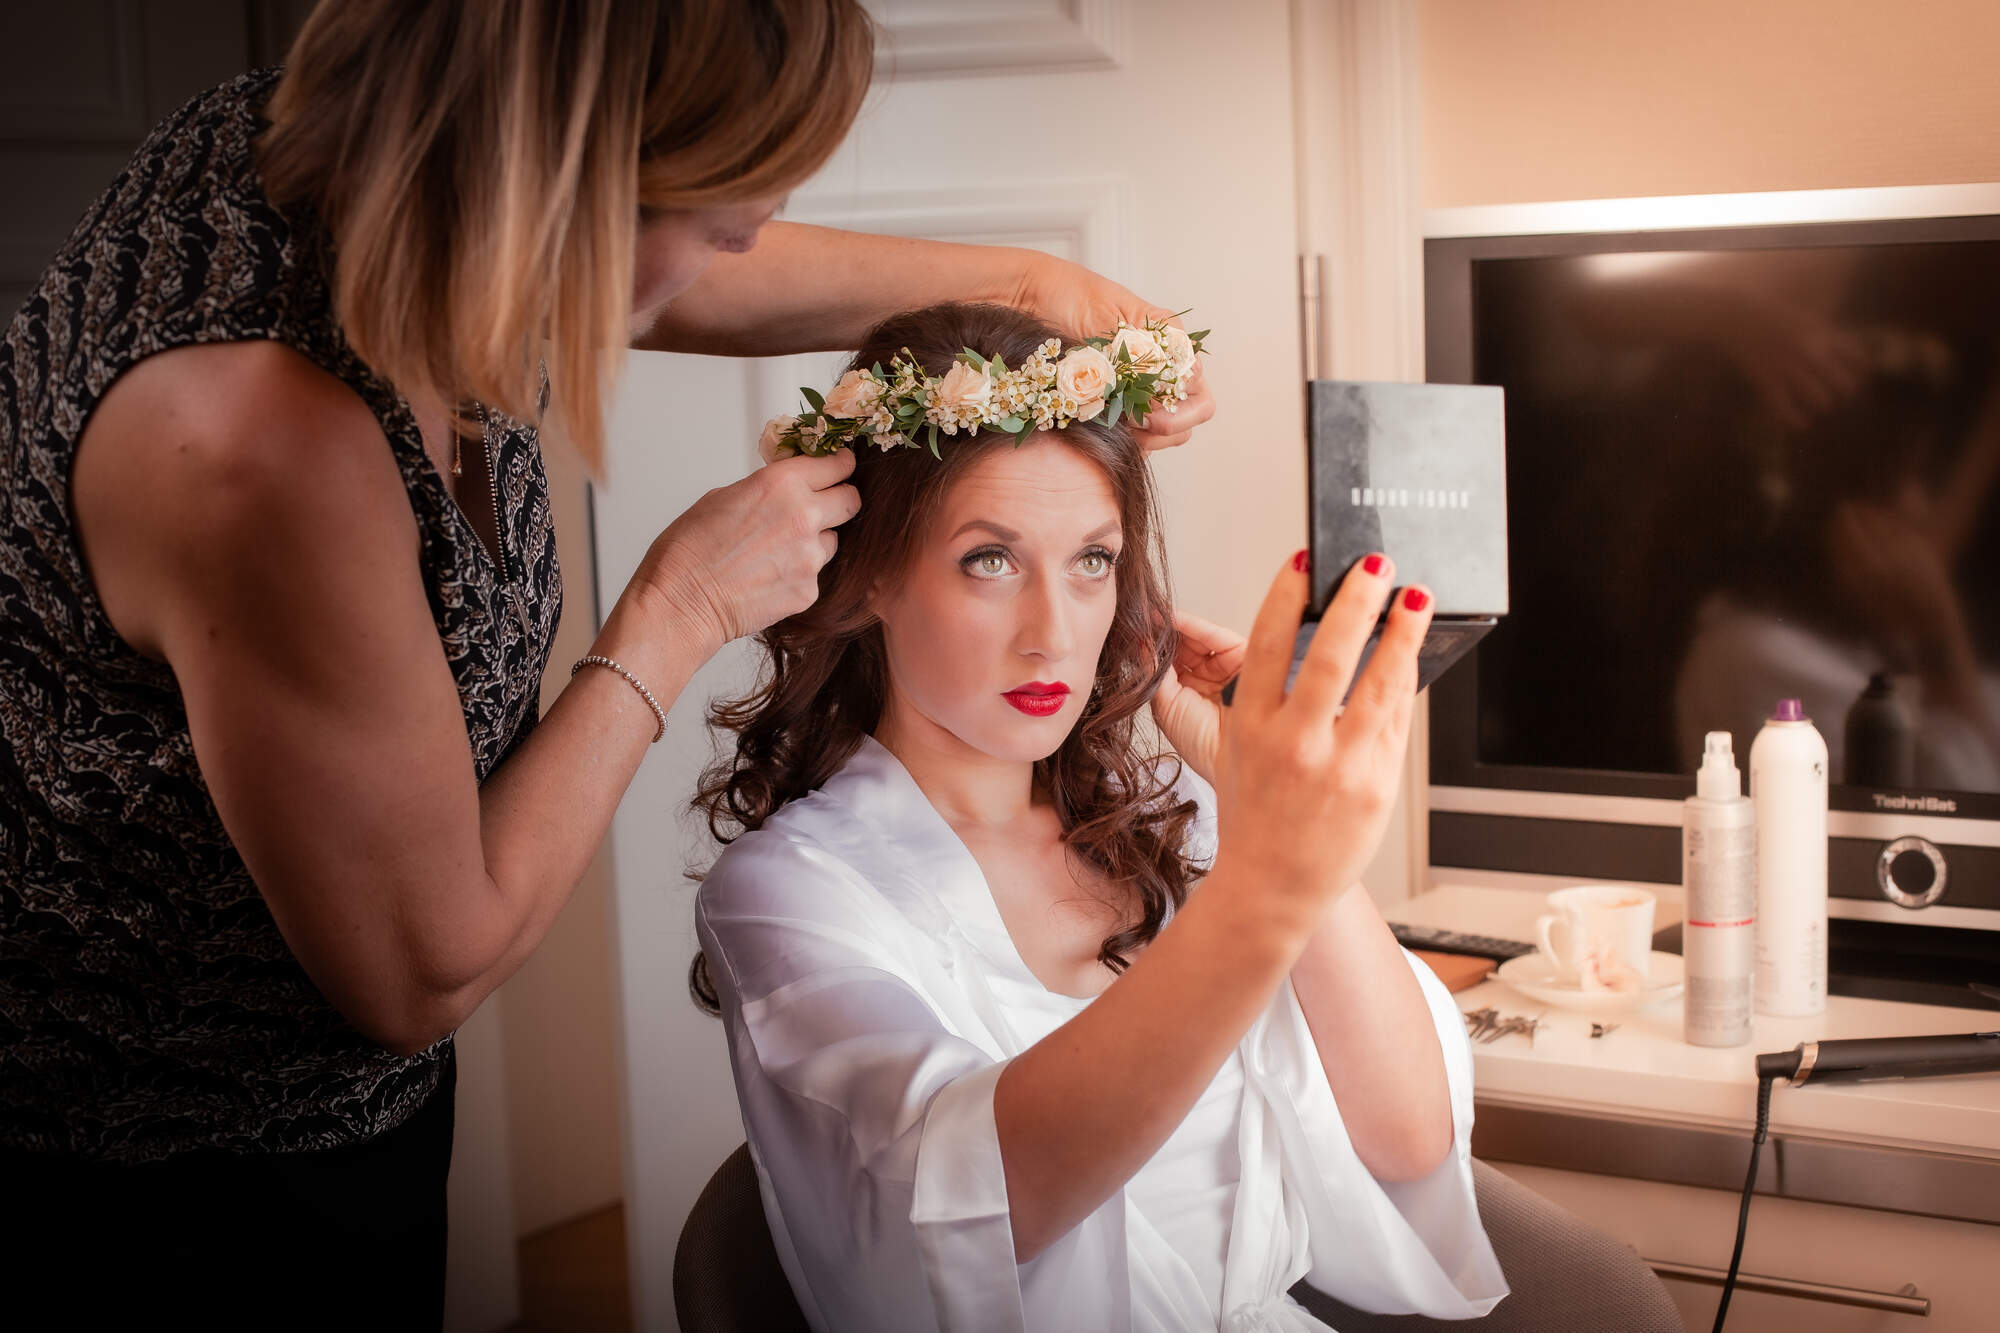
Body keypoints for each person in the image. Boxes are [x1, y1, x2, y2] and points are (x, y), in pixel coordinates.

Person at [0, 2, 1211, 1325]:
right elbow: (416, 970)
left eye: (1091, 560)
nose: (758, 229)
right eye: (724, 205)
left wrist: (1027, 290)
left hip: (348, 1113)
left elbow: (680, 259)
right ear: (569, 177)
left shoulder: (405, 182)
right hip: (160, 1179)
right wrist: (676, 609)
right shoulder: (252, 444)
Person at [693, 302, 1507, 1331]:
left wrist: (1259, 808)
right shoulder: (789, 893)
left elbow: (1409, 1137)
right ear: (873, 577)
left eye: (1091, 560)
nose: (1052, 633)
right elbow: (969, 1193)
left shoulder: (1177, 819)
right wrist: (1266, 887)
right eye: (989, 560)